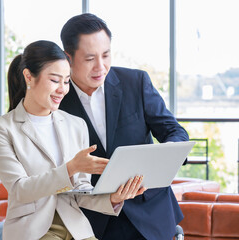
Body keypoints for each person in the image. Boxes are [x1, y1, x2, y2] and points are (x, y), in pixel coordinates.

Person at [0, 40, 146, 240]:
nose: (63, 89)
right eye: (55, 80)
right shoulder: (1, 129)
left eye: (66, 81)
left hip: (76, 228)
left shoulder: (76, 125)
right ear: (28, 76)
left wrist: (113, 198)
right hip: (34, 230)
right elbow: (20, 189)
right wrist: (71, 167)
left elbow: (80, 191)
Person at [59, 13, 189, 240]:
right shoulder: (57, 100)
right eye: (90, 58)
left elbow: (174, 131)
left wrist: (168, 153)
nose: (100, 66)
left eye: (106, 55)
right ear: (67, 58)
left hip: (150, 213)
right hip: (93, 221)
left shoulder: (135, 82)